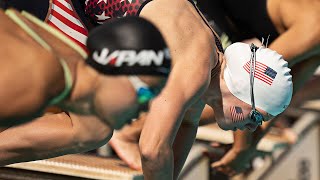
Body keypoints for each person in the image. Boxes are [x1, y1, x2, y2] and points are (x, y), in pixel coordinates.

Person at [0, 1, 294, 179]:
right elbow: (153, 150)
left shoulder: (207, 61)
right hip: (66, 6)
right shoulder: (195, 64)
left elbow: (186, 126)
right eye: (257, 116)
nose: (253, 126)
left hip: (86, 13)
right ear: (244, 90)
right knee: (91, 128)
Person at [0, 8, 170, 164]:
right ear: (112, 65)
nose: (145, 108)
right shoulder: (37, 81)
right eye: (145, 93)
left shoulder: (67, 61)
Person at [195, 0, 320, 176]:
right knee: (212, 96)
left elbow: (276, 104)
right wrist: (241, 149)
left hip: (234, 17)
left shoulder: (316, 46)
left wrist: (247, 150)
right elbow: (250, 87)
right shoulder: (314, 31)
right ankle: (146, 130)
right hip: (216, 7)